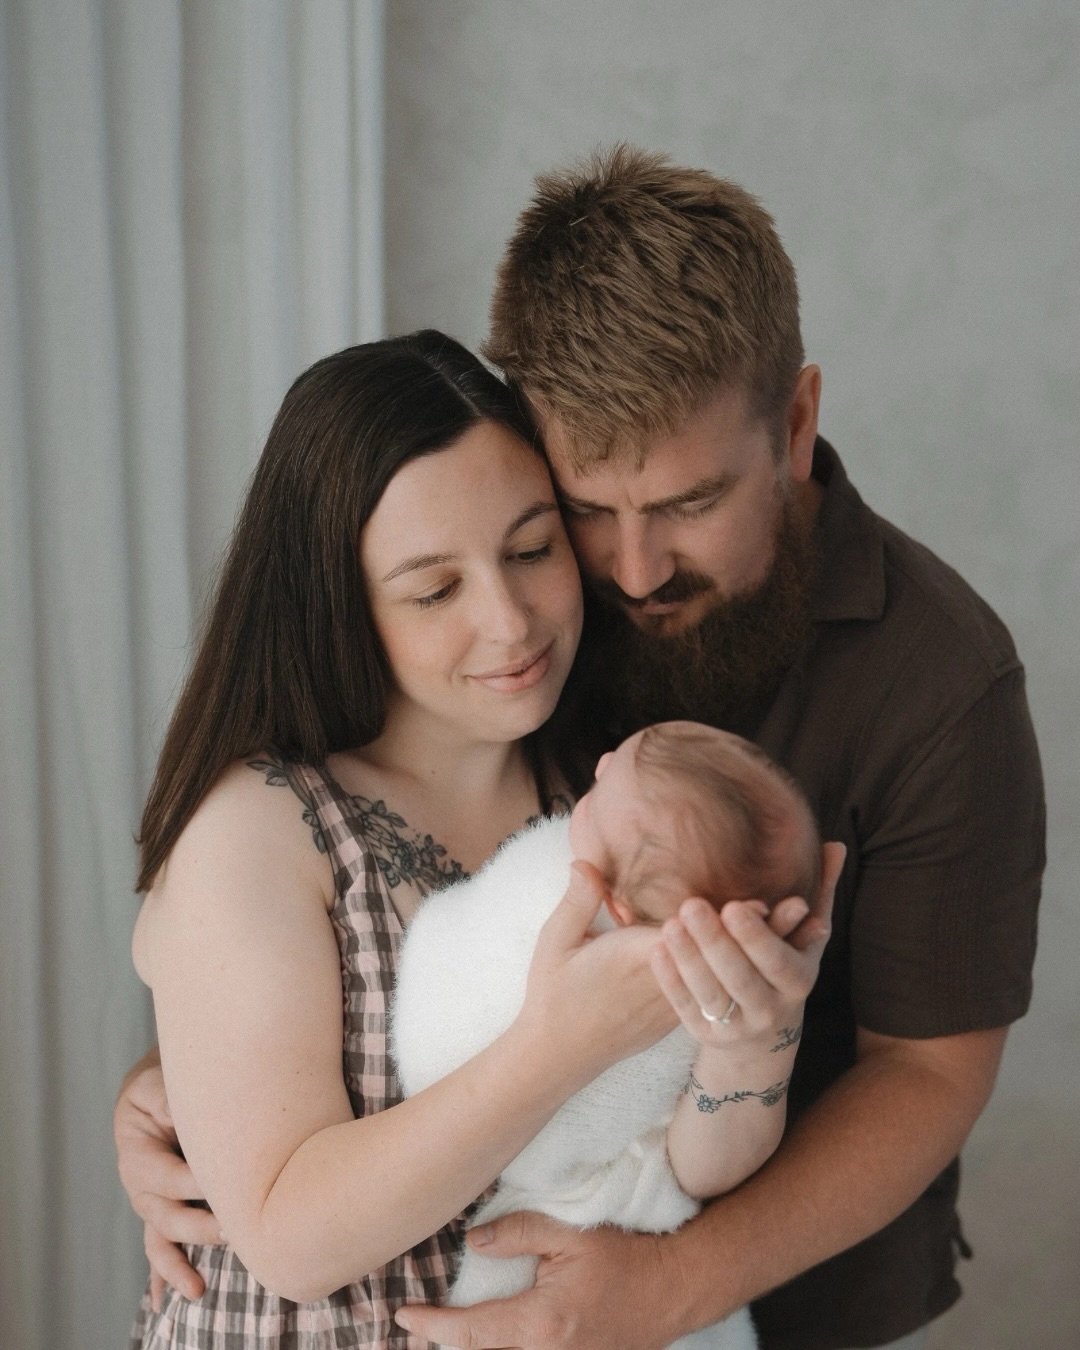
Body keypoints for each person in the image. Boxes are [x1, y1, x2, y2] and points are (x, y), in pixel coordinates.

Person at [116, 145, 1044, 1348]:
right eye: (587, 513)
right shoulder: (534, 637)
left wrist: (666, 1285)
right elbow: (303, 953)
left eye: (690, 504)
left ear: (796, 424)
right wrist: (182, 1088)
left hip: (794, 1285)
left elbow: (928, 1071)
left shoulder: (941, 678)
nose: (634, 571)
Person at [121, 328, 833, 1349]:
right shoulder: (261, 827)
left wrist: (757, 1033)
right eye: (434, 590)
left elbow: (683, 1156)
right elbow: (290, 1240)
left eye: (533, 550)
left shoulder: (618, 803)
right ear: (340, 603)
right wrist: (563, 1042)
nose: (511, 622)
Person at [392, 721, 822, 1350]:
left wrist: (753, 1050)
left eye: (598, 798)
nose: (596, 769)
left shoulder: (555, 888)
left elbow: (438, 1027)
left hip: (560, 1206)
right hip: (604, 1203)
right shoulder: (703, 980)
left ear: (617, 908)